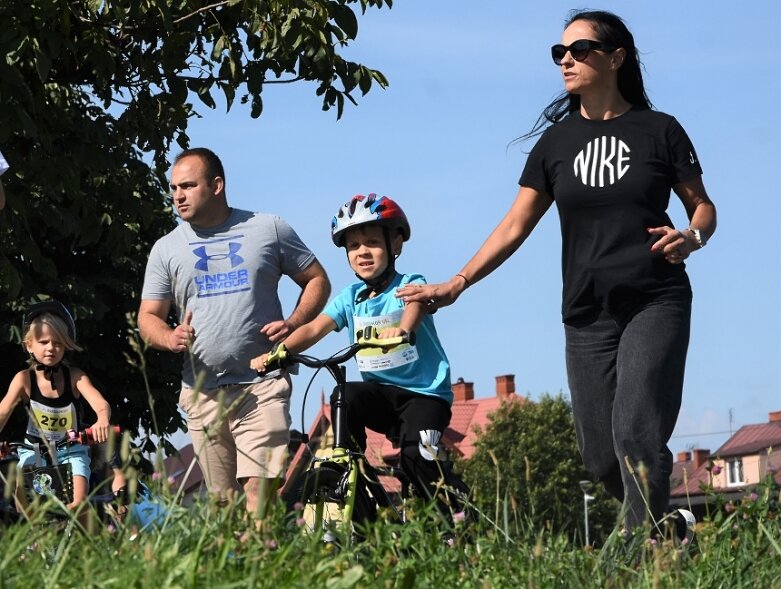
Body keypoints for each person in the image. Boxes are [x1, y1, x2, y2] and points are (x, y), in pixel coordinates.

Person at [397, 10, 716, 541]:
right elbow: (515, 224)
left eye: (580, 49)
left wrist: (692, 236)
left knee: (637, 434)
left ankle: (636, 562)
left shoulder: (660, 130)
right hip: (586, 313)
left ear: (616, 58)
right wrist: (457, 282)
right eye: (559, 52)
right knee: (598, 455)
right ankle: (665, 530)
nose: (566, 59)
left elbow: (703, 208)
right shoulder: (556, 144)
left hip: (654, 300)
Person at [251, 194, 468, 521]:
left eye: (371, 243)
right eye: (353, 246)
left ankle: (452, 518)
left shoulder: (409, 284)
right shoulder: (350, 299)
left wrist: (403, 331)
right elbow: (314, 329)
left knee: (416, 458)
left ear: (395, 243)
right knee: (345, 395)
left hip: (424, 396)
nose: (362, 252)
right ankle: (358, 505)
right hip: (381, 395)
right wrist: (278, 353)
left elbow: (415, 306)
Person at [138, 147, 330, 515]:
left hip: (263, 384)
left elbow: (317, 280)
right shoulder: (166, 249)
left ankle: (266, 568)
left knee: (258, 494)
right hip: (202, 392)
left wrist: (293, 322)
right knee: (222, 506)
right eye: (174, 187)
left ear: (217, 185)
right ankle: (240, 570)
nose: (177, 195)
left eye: (188, 186)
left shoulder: (267, 228)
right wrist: (169, 336)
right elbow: (148, 317)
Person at [0, 300, 114, 512]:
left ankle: (79, 539)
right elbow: (3, 411)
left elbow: (100, 403)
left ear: (66, 346)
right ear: (29, 345)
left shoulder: (75, 377)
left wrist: (102, 420)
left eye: (58, 343)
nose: (51, 348)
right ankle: (34, 540)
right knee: (22, 495)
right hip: (33, 450)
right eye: (43, 342)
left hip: (71, 449)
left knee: (78, 503)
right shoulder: (24, 379)